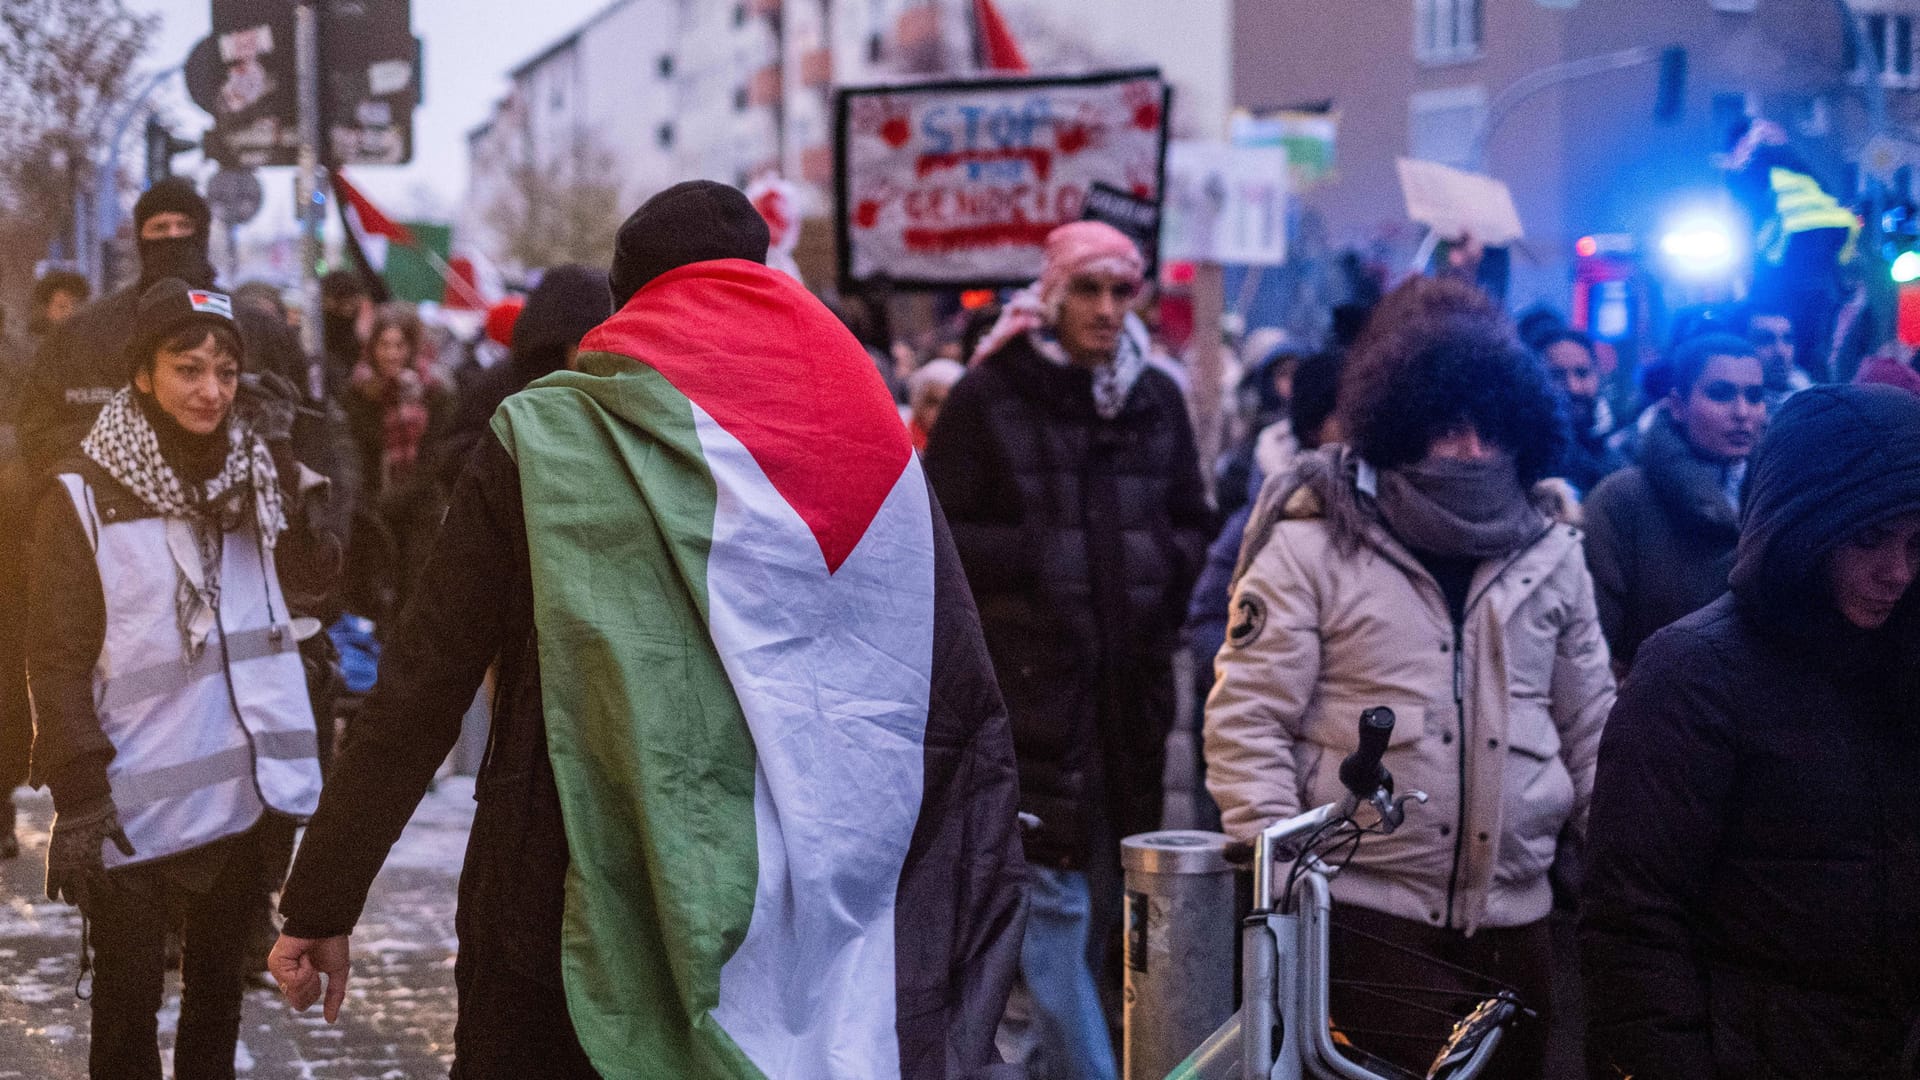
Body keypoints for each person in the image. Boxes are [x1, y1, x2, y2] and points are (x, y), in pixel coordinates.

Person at [266, 181, 1026, 1079]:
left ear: (630, 304)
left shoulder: (543, 436)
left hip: (559, 893)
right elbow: (939, 687)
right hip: (788, 911)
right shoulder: (865, 443)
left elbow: (426, 682)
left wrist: (322, 898)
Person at [1205, 276, 1615, 1079]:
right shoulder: (1313, 545)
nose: (1470, 451)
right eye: (1447, 428)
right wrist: (1281, 888)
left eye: (1489, 430)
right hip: (1359, 915)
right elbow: (1248, 722)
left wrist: (1627, 874)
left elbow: (1594, 723)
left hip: (1518, 918)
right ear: (1400, 425)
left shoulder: (1554, 552)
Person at [925, 220, 1214, 1080]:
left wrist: (1155, 567)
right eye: (1087, 290)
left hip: (1130, 694)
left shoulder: (1155, 399)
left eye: (1122, 291)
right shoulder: (990, 396)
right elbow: (939, 535)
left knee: (1120, 908)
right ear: (1051, 298)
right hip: (1032, 697)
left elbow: (1193, 523)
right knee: (1052, 904)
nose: (1106, 309)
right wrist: (1043, 562)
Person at [25, 280, 335, 1079]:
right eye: (188, 367)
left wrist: (304, 481)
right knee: (126, 1014)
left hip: (238, 788)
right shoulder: (82, 495)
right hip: (129, 801)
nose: (210, 391)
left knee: (217, 1012)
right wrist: (80, 791)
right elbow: (55, 654)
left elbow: (310, 595)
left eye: (226, 373)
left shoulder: (256, 476)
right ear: (143, 374)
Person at [1582, 384, 1920, 1080]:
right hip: (1749, 1050)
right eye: (1867, 538)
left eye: (1918, 542)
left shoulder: (1905, 659)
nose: (1897, 571)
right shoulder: (1694, 672)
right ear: (1807, 530)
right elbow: (1632, 920)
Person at [1582, 333, 1768, 669]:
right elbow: (1592, 647)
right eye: (1720, 394)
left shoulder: (1778, 495)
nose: (1742, 412)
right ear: (1678, 406)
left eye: (1754, 396)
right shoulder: (1622, 501)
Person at [1533, 327, 1625, 495]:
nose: (1572, 387)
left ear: (1598, 376)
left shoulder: (1618, 462)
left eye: (1582, 373)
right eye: (1556, 375)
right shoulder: (1524, 464)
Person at [905, 358, 964, 450]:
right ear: (917, 402)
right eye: (932, 402)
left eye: (948, 404)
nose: (940, 412)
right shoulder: (899, 434)